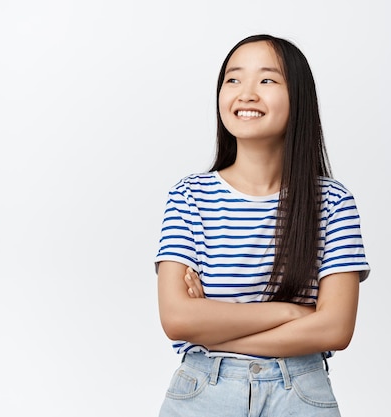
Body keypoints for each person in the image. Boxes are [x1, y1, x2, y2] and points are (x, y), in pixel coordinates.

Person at [154, 34, 370, 417]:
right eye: (233, 79)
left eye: (267, 80)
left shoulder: (333, 202)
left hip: (299, 393)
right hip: (204, 393)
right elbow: (178, 319)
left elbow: (336, 328)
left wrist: (216, 324)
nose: (246, 93)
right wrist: (292, 313)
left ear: (298, 96)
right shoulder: (189, 196)